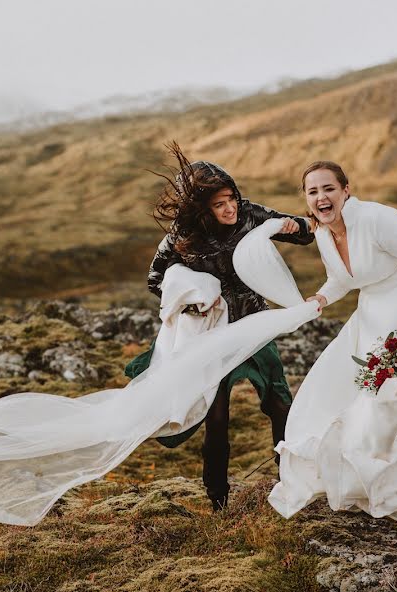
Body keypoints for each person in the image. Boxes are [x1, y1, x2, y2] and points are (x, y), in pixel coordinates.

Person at [268, 161, 397, 523]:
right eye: (313, 192)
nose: (321, 197)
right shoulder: (324, 235)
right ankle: (364, 480)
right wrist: (321, 298)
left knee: (394, 392)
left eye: (328, 188)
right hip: (372, 306)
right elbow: (342, 279)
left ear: (346, 190)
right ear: (307, 200)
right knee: (344, 383)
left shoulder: (377, 218)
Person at [126, 142, 316, 511]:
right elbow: (155, 280)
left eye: (231, 198)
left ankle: (290, 482)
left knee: (279, 403)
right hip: (213, 334)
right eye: (219, 204)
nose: (229, 207)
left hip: (255, 324)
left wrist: (299, 225)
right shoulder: (181, 238)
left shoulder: (249, 213)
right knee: (217, 416)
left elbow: (303, 233)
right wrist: (195, 298)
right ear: (202, 210)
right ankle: (218, 498)